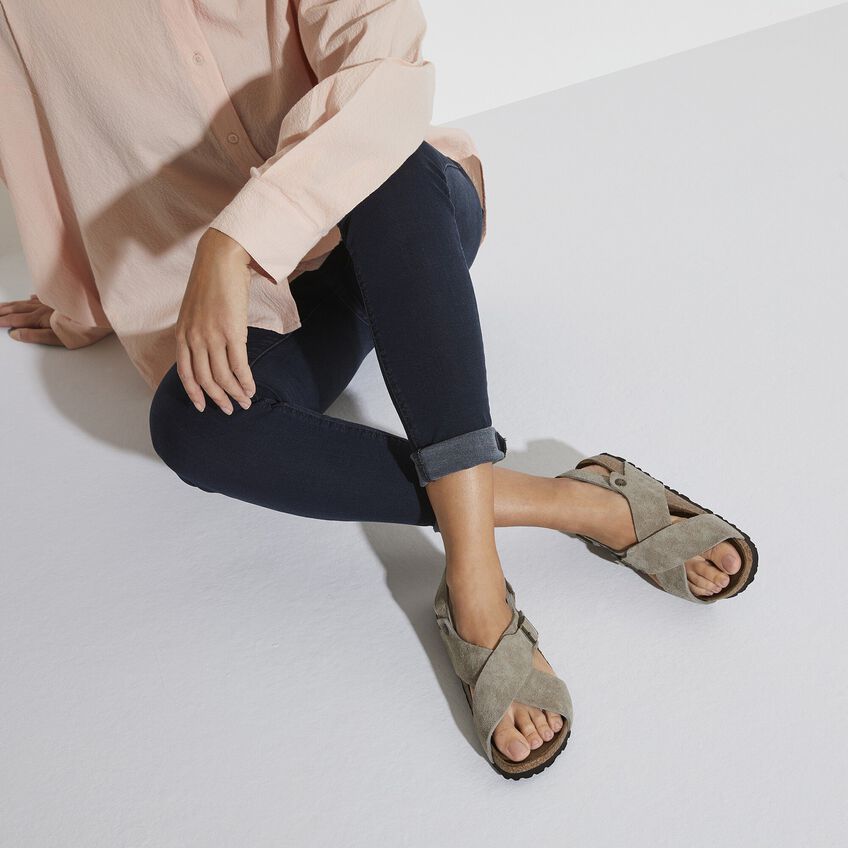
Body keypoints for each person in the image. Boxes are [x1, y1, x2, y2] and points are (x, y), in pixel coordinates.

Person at [0, 1, 757, 779]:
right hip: (242, 307)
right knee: (196, 424)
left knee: (385, 163)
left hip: (400, 221)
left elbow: (386, 76)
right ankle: (577, 502)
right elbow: (42, 141)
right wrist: (79, 303)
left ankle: (476, 587)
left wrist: (236, 240)